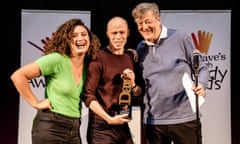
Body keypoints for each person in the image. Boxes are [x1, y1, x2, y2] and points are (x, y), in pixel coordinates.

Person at [10, 18, 100, 144]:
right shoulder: (56, 59)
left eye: (84, 34)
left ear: (90, 40)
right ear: (67, 40)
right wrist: (35, 103)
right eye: (74, 36)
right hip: (51, 126)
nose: (80, 38)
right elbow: (18, 75)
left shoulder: (89, 65)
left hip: (74, 129)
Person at [131, 2, 209, 144]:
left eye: (148, 21)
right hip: (153, 122)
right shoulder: (141, 47)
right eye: (140, 23)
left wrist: (202, 84)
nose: (144, 27)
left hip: (184, 119)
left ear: (158, 19)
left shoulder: (180, 38)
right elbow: (142, 85)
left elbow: (202, 67)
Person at [82, 16, 142, 144]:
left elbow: (138, 93)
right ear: (108, 34)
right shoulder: (98, 59)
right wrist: (108, 118)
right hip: (101, 127)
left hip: (122, 123)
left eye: (122, 32)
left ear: (128, 33)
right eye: (114, 33)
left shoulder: (131, 57)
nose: (118, 37)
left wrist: (133, 84)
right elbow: (88, 95)